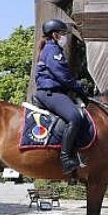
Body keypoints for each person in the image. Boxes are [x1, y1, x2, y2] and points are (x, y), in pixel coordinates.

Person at [34, 19, 86, 174]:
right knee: (75, 117)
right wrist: (78, 87)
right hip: (50, 93)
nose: (65, 37)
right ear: (55, 35)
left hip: (55, 92)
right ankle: (65, 158)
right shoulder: (52, 50)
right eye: (63, 34)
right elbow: (62, 75)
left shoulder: (53, 49)